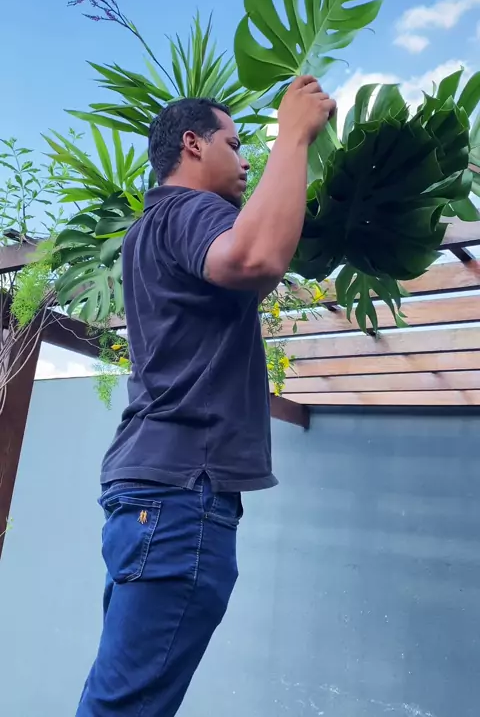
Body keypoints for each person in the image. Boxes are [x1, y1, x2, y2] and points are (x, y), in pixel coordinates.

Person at [76, 75, 336, 716]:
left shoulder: (149, 230)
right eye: (235, 144)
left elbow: (250, 264)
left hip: (150, 493)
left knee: (121, 699)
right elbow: (253, 259)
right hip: (178, 493)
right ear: (193, 144)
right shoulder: (192, 210)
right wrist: (294, 134)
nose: (246, 161)